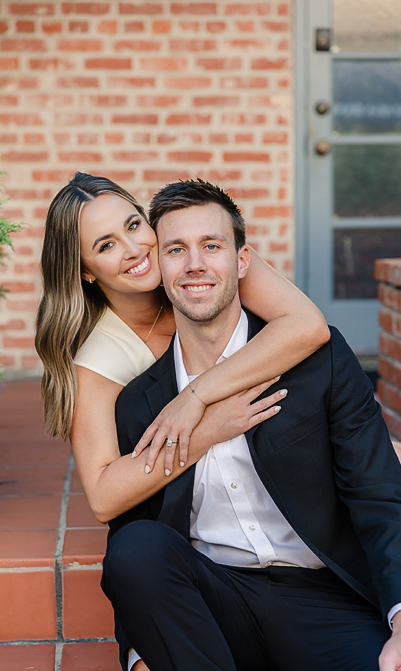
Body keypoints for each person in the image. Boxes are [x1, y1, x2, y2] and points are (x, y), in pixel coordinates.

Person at [103, 178, 401, 671]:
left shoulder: (320, 362)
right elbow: (132, 543)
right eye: (176, 249)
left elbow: (378, 492)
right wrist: (142, 655)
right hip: (216, 600)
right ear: (159, 268)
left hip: (324, 597)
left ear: (242, 261)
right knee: (135, 547)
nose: (195, 264)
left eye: (212, 245)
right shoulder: (140, 404)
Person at [35, 172, 330, 529]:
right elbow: (102, 495)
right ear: (86, 271)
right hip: (206, 501)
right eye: (106, 246)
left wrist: (195, 395)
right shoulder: (99, 360)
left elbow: (309, 326)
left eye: (132, 226)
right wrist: (207, 429)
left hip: (295, 442)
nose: (133, 250)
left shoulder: (203, 262)